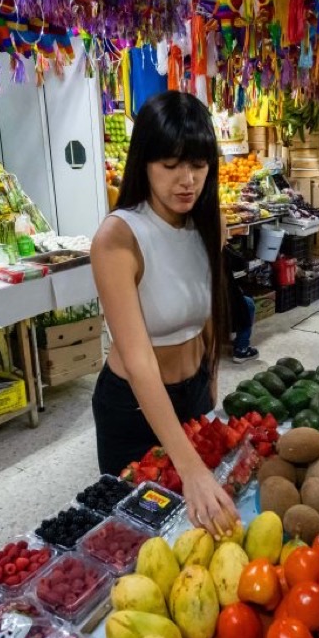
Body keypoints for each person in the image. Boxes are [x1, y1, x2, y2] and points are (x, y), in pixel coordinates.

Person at [90, 91, 238, 535]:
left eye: (197, 164)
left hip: (192, 393)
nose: (187, 180)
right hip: (134, 407)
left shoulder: (207, 224)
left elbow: (208, 312)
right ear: (145, 164)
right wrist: (188, 465)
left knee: (198, 531)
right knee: (139, 535)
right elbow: (137, 359)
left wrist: (209, 381)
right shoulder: (118, 237)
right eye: (170, 166)